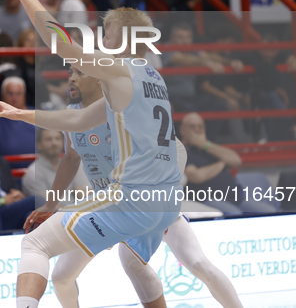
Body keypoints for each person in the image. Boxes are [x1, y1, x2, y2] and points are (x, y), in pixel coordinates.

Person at [0, 0, 182, 308]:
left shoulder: (119, 69)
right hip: (166, 199)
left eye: (105, 35)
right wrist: (22, 114)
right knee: (101, 270)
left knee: (34, 244)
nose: (101, 42)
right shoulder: (152, 77)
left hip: (133, 198)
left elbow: (61, 44)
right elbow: (78, 119)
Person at [24, 66, 243, 308]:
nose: (73, 78)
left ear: (101, 80)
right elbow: (71, 158)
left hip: (144, 199)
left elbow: (173, 145)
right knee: (61, 277)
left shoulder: (129, 111)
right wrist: (51, 203)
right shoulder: (70, 114)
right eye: (70, 73)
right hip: (105, 208)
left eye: (81, 72)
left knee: (194, 263)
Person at [180, 112, 278, 215]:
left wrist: (205, 144)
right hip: (206, 198)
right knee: (235, 216)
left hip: (235, 198)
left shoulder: (210, 148)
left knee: (270, 212)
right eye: (192, 126)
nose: (197, 130)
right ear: (182, 130)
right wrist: (222, 164)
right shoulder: (182, 152)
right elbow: (197, 176)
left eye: (200, 126)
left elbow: (236, 160)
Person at [22, 128, 88, 199]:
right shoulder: (33, 172)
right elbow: (44, 204)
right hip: (58, 210)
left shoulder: (71, 165)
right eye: (48, 139)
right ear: (39, 145)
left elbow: (82, 192)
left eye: (58, 138)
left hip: (76, 208)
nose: (54, 143)